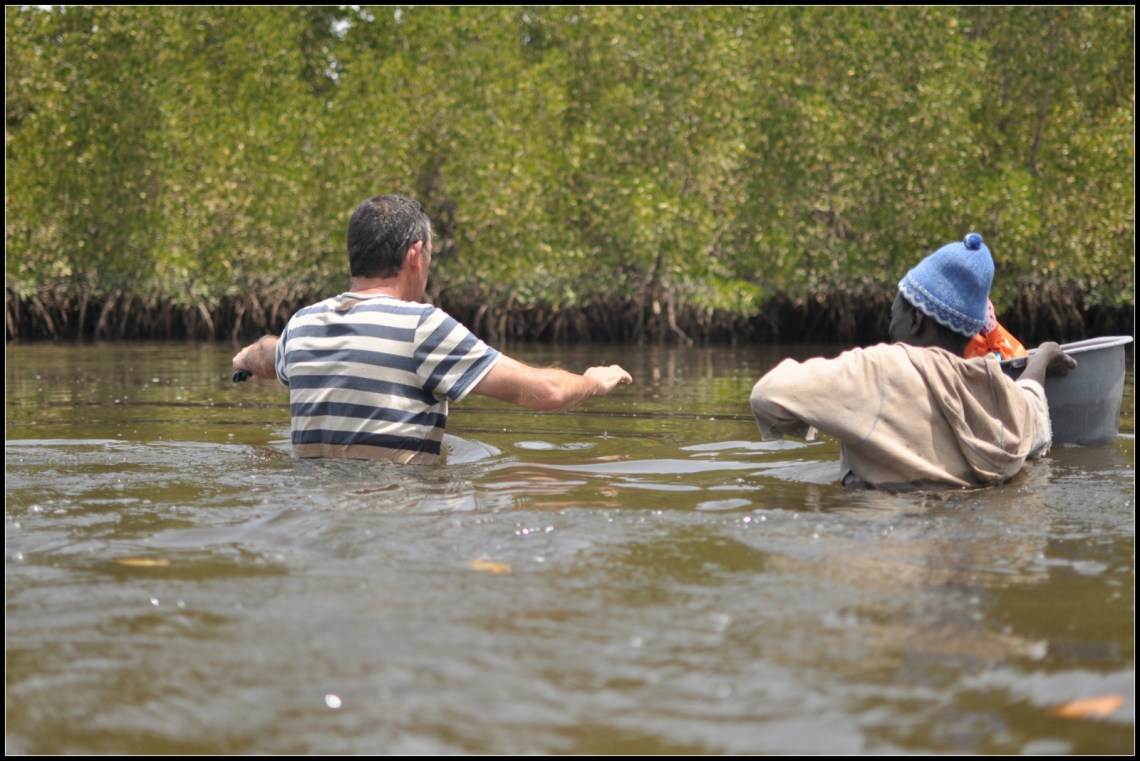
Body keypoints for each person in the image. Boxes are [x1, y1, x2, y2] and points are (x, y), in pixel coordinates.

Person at [232, 194, 632, 464]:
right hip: (399, 512)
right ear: (415, 255)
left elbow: (266, 355)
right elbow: (549, 393)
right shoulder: (422, 327)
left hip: (313, 509)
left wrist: (244, 358)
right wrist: (594, 380)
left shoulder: (302, 325)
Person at [750, 233, 1076, 490]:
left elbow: (768, 394)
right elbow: (1032, 410)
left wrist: (825, 420)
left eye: (896, 314)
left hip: (885, 530)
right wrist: (1043, 357)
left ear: (916, 319)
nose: (892, 325)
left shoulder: (879, 369)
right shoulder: (996, 386)